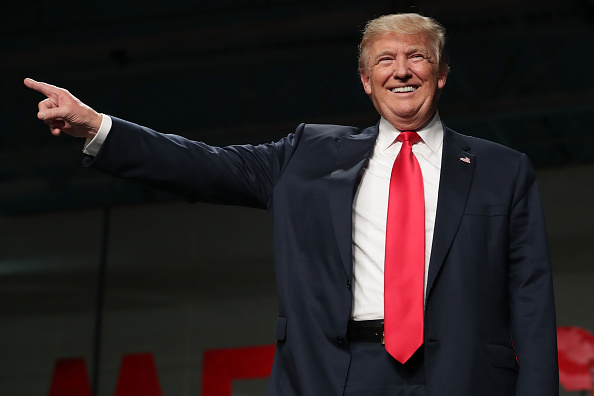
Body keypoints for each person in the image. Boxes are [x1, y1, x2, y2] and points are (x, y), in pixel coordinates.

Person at [24, 13, 558, 396]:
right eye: (385, 60)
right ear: (367, 83)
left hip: (464, 376)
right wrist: (98, 127)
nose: (402, 70)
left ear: (440, 74)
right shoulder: (308, 154)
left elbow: (530, 299)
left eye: (417, 56)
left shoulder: (501, 168)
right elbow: (202, 165)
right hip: (338, 372)